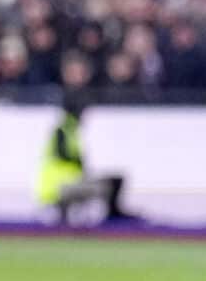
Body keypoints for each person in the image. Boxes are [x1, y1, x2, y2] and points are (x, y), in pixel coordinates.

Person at [37, 91, 139, 226]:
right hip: (60, 188)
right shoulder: (63, 130)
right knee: (109, 184)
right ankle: (113, 217)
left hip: (66, 184)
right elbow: (64, 155)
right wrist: (79, 161)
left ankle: (113, 215)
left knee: (115, 180)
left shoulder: (69, 131)